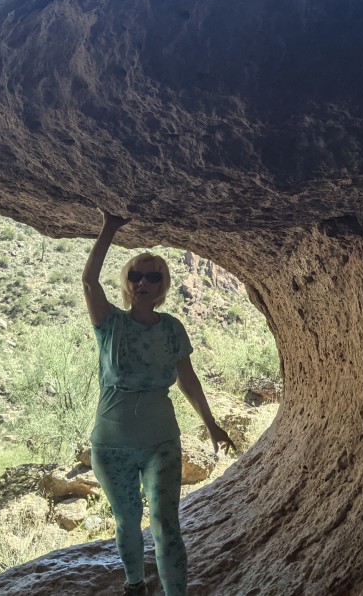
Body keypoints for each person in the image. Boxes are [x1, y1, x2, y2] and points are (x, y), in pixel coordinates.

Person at [82, 210, 234, 596]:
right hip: (111, 444)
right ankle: (135, 586)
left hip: (161, 442)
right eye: (135, 275)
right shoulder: (110, 323)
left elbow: (187, 379)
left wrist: (211, 423)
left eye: (152, 276)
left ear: (163, 285)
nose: (143, 282)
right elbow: (88, 280)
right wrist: (109, 228)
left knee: (167, 526)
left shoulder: (171, 329)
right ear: (127, 283)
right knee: (127, 522)